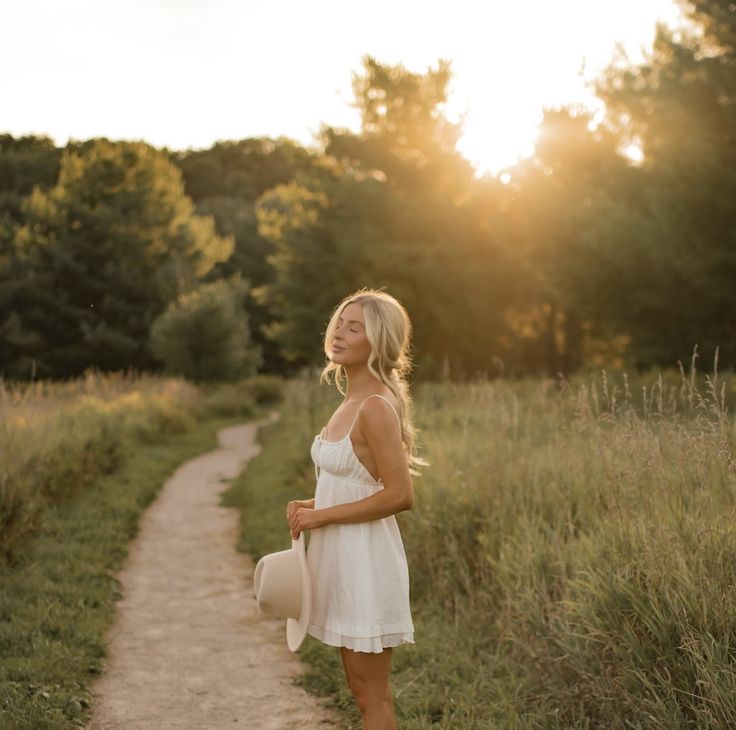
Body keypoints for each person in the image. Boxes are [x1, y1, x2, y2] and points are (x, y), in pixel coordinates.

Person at [286, 288, 428, 730]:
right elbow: (355, 484)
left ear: (378, 340)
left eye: (355, 327)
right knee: (358, 689)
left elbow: (400, 495)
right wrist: (313, 504)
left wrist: (322, 516)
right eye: (339, 323)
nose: (340, 333)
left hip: (366, 563)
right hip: (340, 561)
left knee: (372, 697)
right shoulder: (347, 403)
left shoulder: (375, 408)